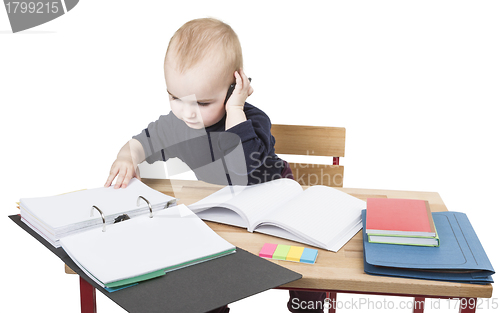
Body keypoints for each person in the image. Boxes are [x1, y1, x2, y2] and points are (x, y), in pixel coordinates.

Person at [104, 17, 324, 313]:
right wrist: (126, 157)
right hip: (225, 206)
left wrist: (234, 109)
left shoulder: (252, 120)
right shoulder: (179, 124)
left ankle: (308, 303)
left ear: (234, 88)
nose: (187, 112)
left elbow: (246, 170)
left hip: (274, 196)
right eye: (175, 98)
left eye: (203, 103)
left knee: (304, 265)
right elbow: (141, 142)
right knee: (202, 265)